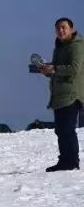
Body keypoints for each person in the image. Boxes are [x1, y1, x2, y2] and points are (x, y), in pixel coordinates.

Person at [35, 17, 84, 171]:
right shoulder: (60, 47)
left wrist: (54, 69)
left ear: (72, 29)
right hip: (59, 94)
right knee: (61, 129)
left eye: (64, 27)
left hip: (71, 93)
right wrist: (47, 71)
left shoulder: (77, 46)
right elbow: (58, 69)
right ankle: (65, 161)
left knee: (67, 129)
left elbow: (74, 69)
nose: (61, 30)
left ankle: (72, 162)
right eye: (58, 28)